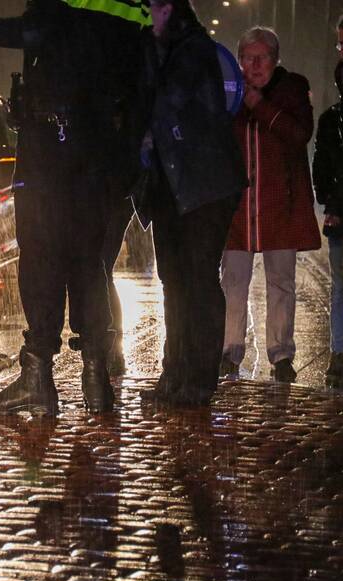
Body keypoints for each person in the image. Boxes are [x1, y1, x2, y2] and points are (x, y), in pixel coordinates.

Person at [0, 0, 149, 415]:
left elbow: (14, 32)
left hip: (50, 156)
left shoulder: (58, 16)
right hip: (94, 161)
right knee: (87, 263)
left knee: (41, 260)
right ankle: (95, 379)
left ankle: (38, 378)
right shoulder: (120, 25)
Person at [138, 0, 246, 406]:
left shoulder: (192, 49)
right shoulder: (167, 48)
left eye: (148, 9)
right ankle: (175, 374)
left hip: (204, 185)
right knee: (175, 280)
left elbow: (164, 101)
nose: (144, 18)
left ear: (166, 10)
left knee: (198, 280)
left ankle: (199, 380)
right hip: (173, 183)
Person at [220, 27, 320, 383]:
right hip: (238, 208)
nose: (253, 65)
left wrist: (260, 107)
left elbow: (299, 134)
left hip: (281, 204)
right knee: (233, 282)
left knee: (281, 283)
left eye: (261, 57)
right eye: (247, 58)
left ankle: (281, 355)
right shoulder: (228, 88)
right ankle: (229, 352)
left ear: (274, 58)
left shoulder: (291, 87)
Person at [311, 17, 343, 389]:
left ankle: (339, 353)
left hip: (338, 213)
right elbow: (322, 167)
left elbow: (323, 166)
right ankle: (338, 352)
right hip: (339, 216)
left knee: (340, 288)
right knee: (340, 287)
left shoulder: (332, 119)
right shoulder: (332, 119)